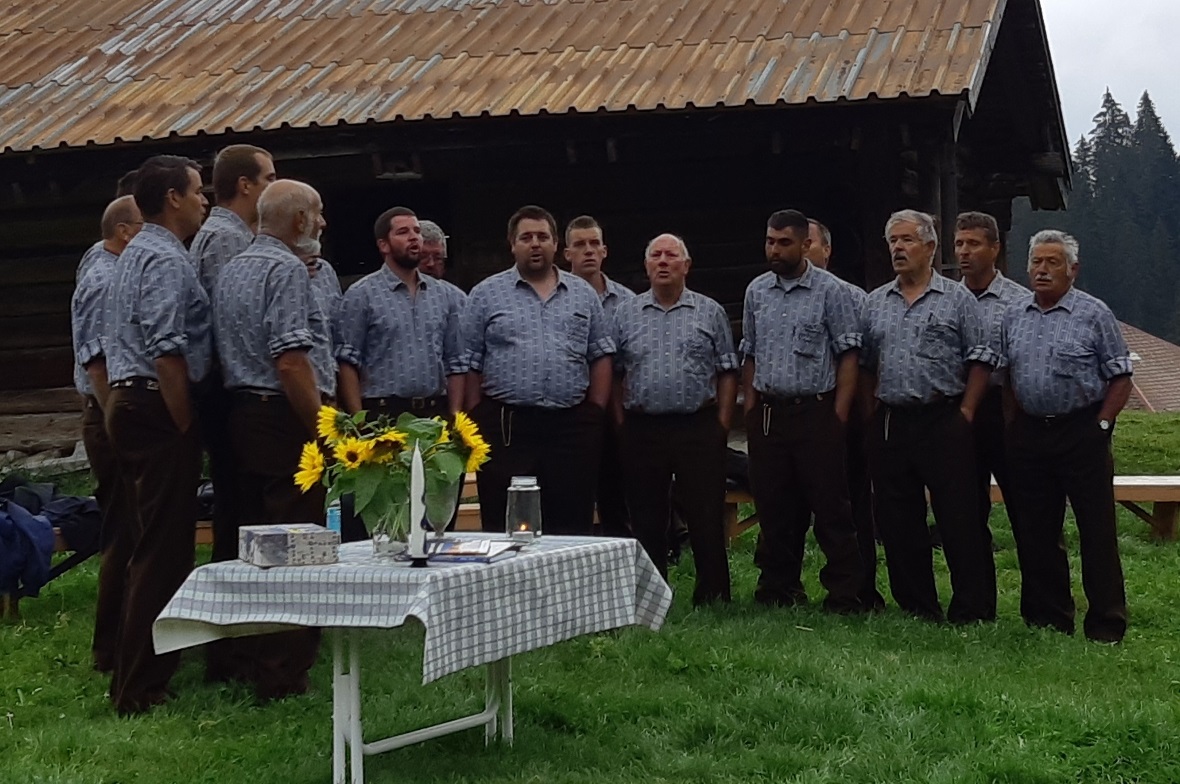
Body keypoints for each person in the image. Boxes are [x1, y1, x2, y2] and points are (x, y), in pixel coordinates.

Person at [212, 180, 330, 697]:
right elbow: (290, 358)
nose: (324, 223)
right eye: (319, 213)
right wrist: (321, 426)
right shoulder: (285, 268)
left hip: (239, 412)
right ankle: (282, 670)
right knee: (293, 544)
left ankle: (238, 655)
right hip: (281, 415)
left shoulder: (233, 266)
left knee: (250, 541)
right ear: (300, 220)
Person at [103, 155, 211, 713]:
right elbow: (167, 347)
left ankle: (127, 675)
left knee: (145, 544)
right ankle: (141, 689)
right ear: (172, 198)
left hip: (127, 399)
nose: (204, 200)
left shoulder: (133, 253)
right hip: (154, 402)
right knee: (164, 553)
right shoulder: (166, 257)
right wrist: (185, 418)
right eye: (197, 191)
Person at [860, 209, 998, 623]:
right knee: (898, 519)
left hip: (944, 417)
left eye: (907, 240)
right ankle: (918, 605)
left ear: (931, 247)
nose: (899, 249)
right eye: (893, 242)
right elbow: (865, 364)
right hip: (893, 419)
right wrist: (871, 417)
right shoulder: (875, 303)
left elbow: (982, 358)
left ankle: (972, 608)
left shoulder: (957, 300)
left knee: (960, 518)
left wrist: (966, 413)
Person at [1001, 230, 1132, 643]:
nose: (1042, 270)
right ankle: (1048, 619)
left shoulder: (1094, 314)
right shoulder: (1014, 314)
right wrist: (1012, 425)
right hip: (1030, 433)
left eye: (1052, 262)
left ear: (1072, 270)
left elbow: (1121, 377)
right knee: (1036, 531)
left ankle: (1106, 624)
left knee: (1096, 531)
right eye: (1036, 262)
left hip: (1082, 431)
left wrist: (1102, 426)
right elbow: (1005, 377)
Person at [462, 205, 615, 535]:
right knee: (506, 522)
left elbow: (600, 355)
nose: (535, 244)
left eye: (542, 237)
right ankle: (507, 586)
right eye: (526, 237)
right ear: (512, 244)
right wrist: (477, 414)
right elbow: (470, 361)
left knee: (571, 521)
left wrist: (594, 412)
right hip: (507, 429)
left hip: (571, 427)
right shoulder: (486, 294)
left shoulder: (583, 295)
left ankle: (568, 586)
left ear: (556, 244)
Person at [741, 209, 864, 612]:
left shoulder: (832, 292)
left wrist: (838, 416)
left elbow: (848, 355)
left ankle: (846, 592)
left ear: (805, 245)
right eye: (770, 241)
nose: (774, 250)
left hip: (815, 410)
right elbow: (750, 353)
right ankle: (778, 587)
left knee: (831, 508)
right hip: (770, 413)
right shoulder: (757, 291)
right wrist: (752, 411)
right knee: (775, 507)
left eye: (784, 243)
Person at [614, 233, 736, 603]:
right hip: (643, 427)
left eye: (671, 255)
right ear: (647, 266)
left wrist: (722, 424)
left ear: (686, 265)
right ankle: (652, 595)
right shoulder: (625, 313)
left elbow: (727, 370)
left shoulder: (710, 311)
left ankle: (713, 594)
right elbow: (615, 372)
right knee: (647, 517)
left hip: (697, 426)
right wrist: (621, 423)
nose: (663, 261)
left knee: (705, 513)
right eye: (656, 256)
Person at [189, 145, 277, 566]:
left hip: (230, 389)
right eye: (270, 180)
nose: (275, 188)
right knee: (240, 505)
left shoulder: (237, 235)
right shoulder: (226, 238)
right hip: (228, 391)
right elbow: (234, 318)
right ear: (246, 186)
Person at [70, 195, 141, 673]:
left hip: (112, 411)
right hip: (108, 413)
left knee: (134, 529)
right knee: (123, 530)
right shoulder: (103, 278)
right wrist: (121, 422)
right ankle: (111, 649)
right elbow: (98, 365)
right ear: (124, 232)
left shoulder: (109, 267)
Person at [798, 217, 885, 610]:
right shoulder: (767, 294)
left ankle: (859, 587)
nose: (803, 249)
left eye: (809, 242)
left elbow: (864, 361)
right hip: (791, 415)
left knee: (849, 504)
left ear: (826, 250)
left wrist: (851, 416)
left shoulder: (851, 297)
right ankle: (786, 587)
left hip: (840, 413)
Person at [335, 206, 466, 421]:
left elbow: (456, 362)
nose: (414, 237)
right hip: (382, 412)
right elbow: (348, 361)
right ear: (383, 245)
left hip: (435, 411)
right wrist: (358, 419)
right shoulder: (361, 294)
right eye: (403, 232)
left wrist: (455, 416)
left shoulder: (446, 295)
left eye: (416, 231)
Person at [954, 211, 1030, 552]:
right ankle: (975, 602)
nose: (964, 252)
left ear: (994, 249)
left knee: (1027, 509)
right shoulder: (947, 300)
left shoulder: (1020, 302)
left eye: (973, 244)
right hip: (959, 408)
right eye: (959, 244)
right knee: (966, 511)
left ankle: (1044, 602)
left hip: (1005, 407)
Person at [564, 214, 635, 538]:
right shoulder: (557, 297)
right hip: (572, 407)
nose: (588, 251)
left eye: (594, 244)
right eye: (580, 245)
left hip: (617, 408)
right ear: (566, 254)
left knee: (617, 493)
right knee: (572, 495)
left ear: (605, 251)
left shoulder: (628, 302)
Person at [302, 252, 342, 401]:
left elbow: (336, 337)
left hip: (329, 393)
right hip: (294, 396)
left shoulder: (325, 270)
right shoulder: (277, 271)